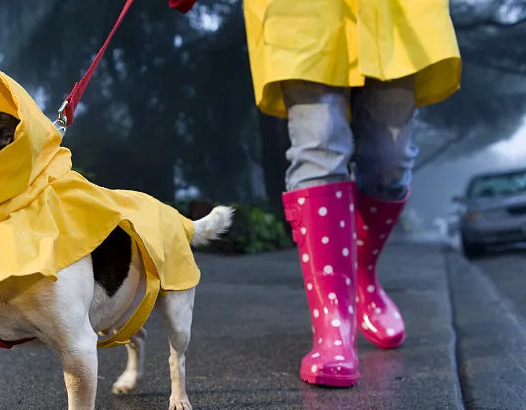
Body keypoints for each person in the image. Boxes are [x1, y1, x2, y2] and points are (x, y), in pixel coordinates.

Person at [173, 1, 462, 386]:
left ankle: (362, 277)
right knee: (318, 146)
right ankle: (334, 326)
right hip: (302, 12)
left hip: (396, 11)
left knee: (389, 160)